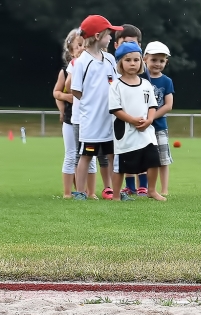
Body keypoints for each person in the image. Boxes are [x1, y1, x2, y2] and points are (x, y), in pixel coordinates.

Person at [70, 15, 123, 200]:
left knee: (111, 155)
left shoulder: (109, 59)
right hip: (91, 121)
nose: (111, 38)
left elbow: (116, 85)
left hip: (109, 119)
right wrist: (92, 103)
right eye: (109, 34)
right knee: (86, 155)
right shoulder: (82, 61)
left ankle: (113, 190)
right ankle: (80, 191)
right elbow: (76, 90)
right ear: (99, 35)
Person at [109, 42, 166, 201]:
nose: (132, 63)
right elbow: (116, 109)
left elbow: (152, 105)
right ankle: (115, 196)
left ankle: (152, 190)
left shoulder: (146, 84)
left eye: (136, 60)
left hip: (146, 132)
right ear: (120, 63)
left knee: (154, 160)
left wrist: (149, 120)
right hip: (126, 132)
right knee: (121, 167)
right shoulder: (116, 86)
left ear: (141, 61)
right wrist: (133, 120)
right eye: (128, 60)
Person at [114, 24, 150, 196]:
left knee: (144, 152)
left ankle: (143, 185)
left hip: (143, 120)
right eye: (125, 43)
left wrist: (149, 118)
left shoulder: (143, 74)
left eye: (134, 44)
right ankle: (129, 186)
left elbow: (150, 98)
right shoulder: (115, 70)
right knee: (126, 153)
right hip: (123, 119)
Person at [53, 29, 84, 198]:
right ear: (71, 51)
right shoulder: (65, 72)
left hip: (87, 118)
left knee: (86, 155)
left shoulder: (93, 70)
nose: (82, 48)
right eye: (78, 45)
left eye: (85, 45)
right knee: (71, 154)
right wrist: (67, 98)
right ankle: (67, 192)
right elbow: (57, 93)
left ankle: (83, 190)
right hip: (70, 118)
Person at [144, 41, 175, 196]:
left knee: (163, 159)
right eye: (154, 60)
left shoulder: (166, 81)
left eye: (161, 61)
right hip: (141, 126)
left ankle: (163, 189)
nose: (158, 64)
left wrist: (151, 118)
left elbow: (168, 105)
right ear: (145, 59)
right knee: (144, 159)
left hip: (159, 126)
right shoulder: (140, 79)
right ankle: (143, 188)